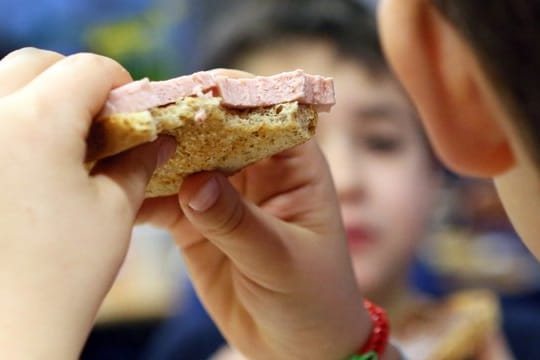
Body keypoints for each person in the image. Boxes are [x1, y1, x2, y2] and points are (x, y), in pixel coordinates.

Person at [1, 0, 539, 358]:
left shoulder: (516, 334)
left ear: (437, 161)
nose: (342, 180)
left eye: (381, 141)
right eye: (280, 152)